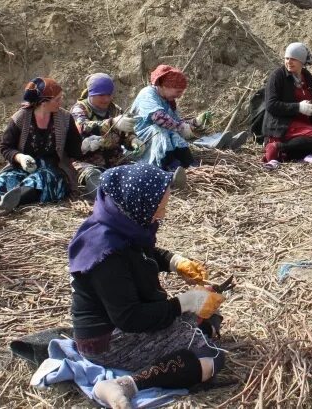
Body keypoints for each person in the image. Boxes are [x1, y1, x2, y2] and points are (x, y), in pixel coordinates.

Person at [68, 163, 225, 408]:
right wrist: (187, 302)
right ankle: (125, 385)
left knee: (207, 319)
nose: (161, 214)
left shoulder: (121, 222)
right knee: (212, 356)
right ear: (138, 202)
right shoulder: (105, 253)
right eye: (159, 207)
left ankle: (188, 339)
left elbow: (143, 252)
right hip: (109, 341)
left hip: (122, 323)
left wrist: (176, 262)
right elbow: (130, 318)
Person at [0, 77, 83, 210]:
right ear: (43, 102)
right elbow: (5, 147)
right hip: (23, 167)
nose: (60, 102)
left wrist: (82, 142)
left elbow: (74, 151)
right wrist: (20, 157)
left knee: (40, 179)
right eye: (57, 99)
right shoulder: (21, 118)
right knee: (4, 180)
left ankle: (9, 204)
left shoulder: (65, 118)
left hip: (53, 170)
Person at [261, 42, 312, 168]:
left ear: (302, 61)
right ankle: (277, 147)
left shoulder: (306, 77)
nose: (289, 62)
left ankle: (286, 154)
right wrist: (298, 107)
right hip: (282, 126)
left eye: (293, 59)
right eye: (287, 58)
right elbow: (271, 105)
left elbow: (308, 101)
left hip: (302, 125)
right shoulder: (277, 76)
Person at [71, 73, 140, 200]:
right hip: (86, 161)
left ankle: (166, 182)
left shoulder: (115, 110)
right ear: (91, 94)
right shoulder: (80, 109)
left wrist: (133, 140)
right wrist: (112, 123)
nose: (106, 99)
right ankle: (105, 198)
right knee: (92, 175)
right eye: (101, 95)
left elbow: (126, 134)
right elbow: (82, 127)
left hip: (115, 160)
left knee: (137, 169)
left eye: (109, 95)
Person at [130, 65, 206, 171]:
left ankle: (187, 162)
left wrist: (195, 122)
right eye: (178, 91)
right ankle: (165, 164)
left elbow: (176, 122)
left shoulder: (168, 101)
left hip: (158, 138)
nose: (179, 96)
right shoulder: (147, 94)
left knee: (172, 134)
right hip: (138, 140)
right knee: (160, 130)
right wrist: (181, 127)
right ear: (165, 86)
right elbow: (158, 117)